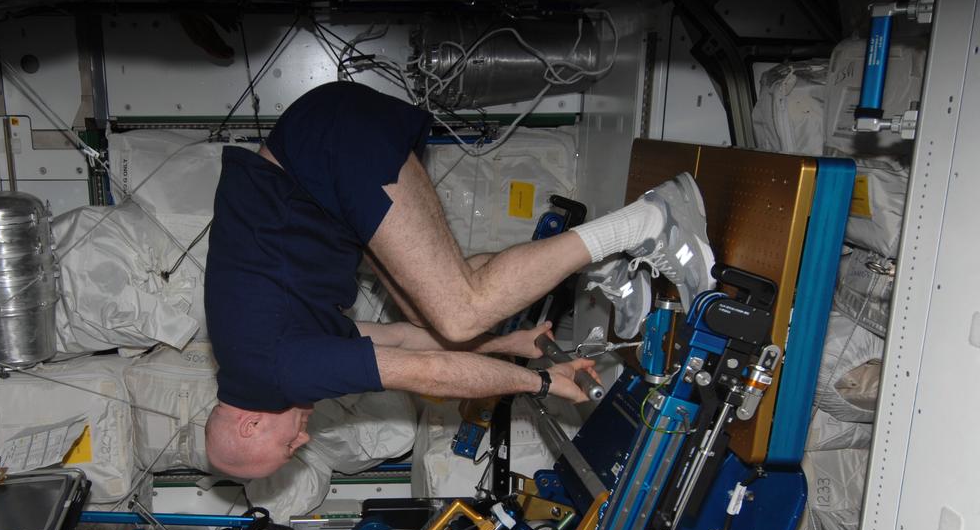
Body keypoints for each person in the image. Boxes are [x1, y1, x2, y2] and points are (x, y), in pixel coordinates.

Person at [204, 82, 713, 479]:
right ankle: (602, 261)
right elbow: (402, 338)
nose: (302, 443)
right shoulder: (258, 360)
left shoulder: (276, 372)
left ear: (251, 424)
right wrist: (513, 342)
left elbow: (430, 375)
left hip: (327, 150)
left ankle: (652, 220)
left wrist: (538, 382)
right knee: (451, 313)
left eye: (285, 449)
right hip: (322, 162)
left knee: (462, 308)